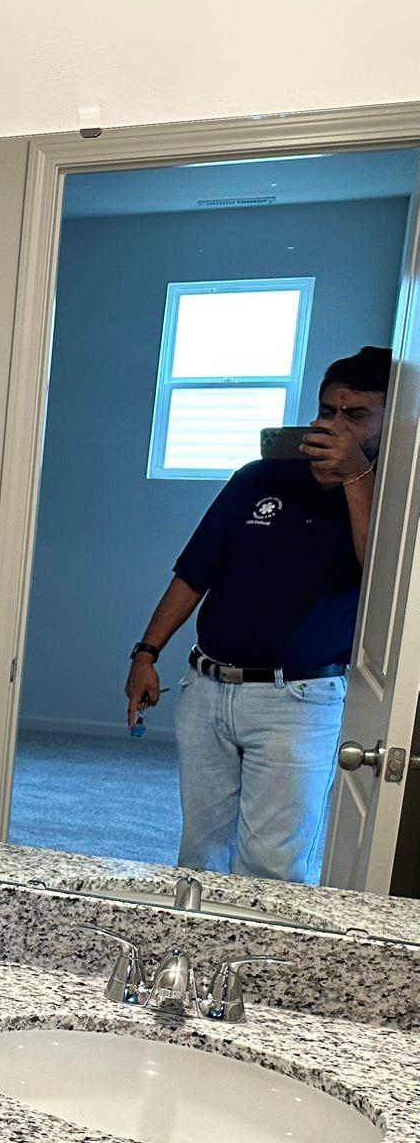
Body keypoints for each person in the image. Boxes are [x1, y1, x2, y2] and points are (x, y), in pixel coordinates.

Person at [123, 346, 390, 881]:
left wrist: (357, 479)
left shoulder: (389, 496)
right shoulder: (259, 477)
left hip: (299, 699)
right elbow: (194, 572)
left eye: (356, 415)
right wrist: (146, 653)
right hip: (206, 688)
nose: (334, 425)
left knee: (272, 864)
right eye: (327, 411)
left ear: (390, 421)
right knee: (200, 855)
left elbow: (378, 578)